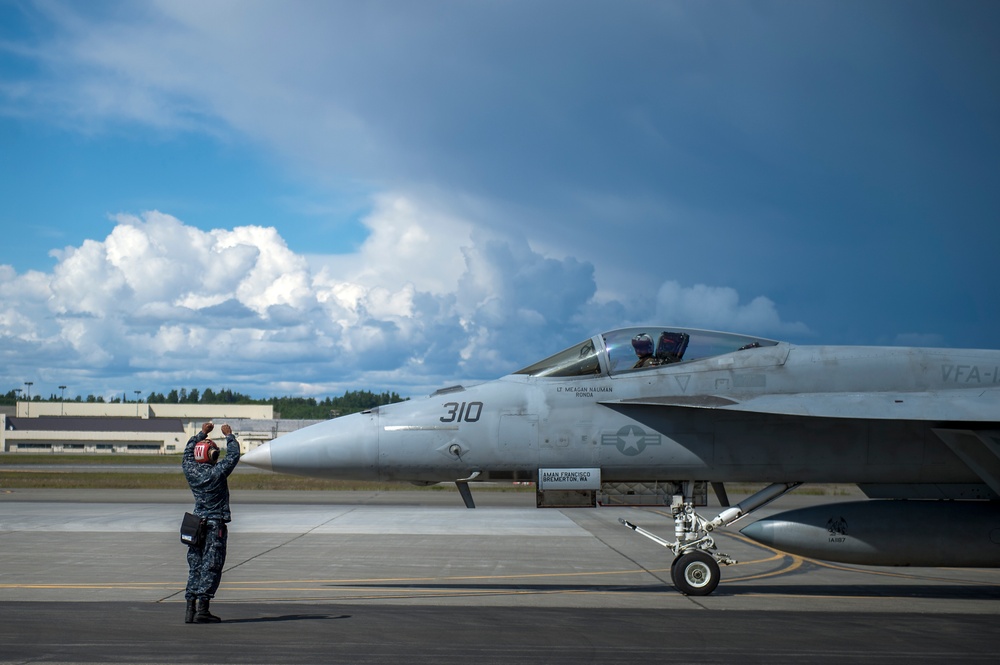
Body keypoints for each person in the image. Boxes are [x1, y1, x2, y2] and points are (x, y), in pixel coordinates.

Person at [181, 421, 240, 624]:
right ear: (212, 455)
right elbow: (233, 456)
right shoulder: (216, 473)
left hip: (196, 524)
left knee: (195, 565)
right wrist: (229, 436)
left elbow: (187, 454)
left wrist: (201, 433)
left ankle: (190, 608)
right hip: (214, 525)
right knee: (211, 565)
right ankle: (203, 610)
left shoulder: (190, 470)